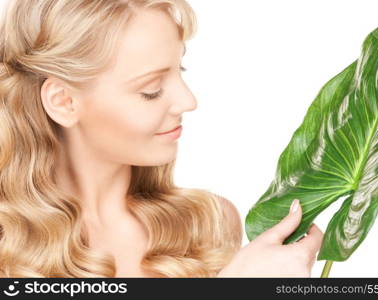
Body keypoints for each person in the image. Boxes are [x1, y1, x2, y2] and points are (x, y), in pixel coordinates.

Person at [0, 0, 323, 278]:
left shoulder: (208, 223)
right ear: (64, 101)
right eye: (150, 90)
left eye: (179, 71)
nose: (188, 101)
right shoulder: (8, 244)